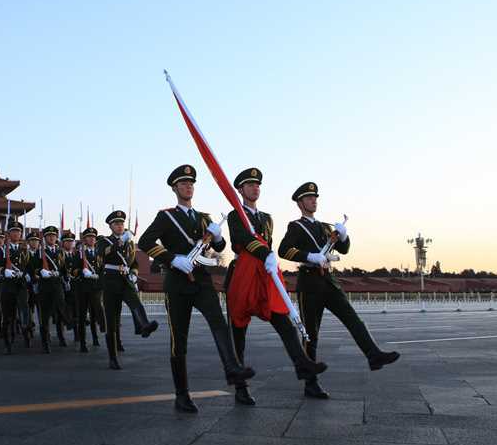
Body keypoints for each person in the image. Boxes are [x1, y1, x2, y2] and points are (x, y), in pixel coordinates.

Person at [138, 165, 255, 413]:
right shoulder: (166, 216)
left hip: (201, 280)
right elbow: (145, 242)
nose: (187, 187)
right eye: (182, 184)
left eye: (190, 183)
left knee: (219, 323)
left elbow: (221, 248)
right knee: (179, 341)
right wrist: (171, 258)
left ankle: (232, 368)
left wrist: (218, 235)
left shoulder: (204, 217)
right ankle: (182, 394)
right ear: (174, 188)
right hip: (177, 284)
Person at [278, 182, 400, 399]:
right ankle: (310, 382)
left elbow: (343, 249)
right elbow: (284, 250)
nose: (313, 201)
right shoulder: (295, 226)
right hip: (309, 283)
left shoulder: (325, 227)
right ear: (300, 202)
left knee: (353, 319)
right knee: (310, 334)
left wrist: (344, 236)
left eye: (315, 197)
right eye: (308, 198)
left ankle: (373, 355)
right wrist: (309, 256)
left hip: (329, 282)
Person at [225, 168, 326, 406]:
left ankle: (303, 365)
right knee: (238, 332)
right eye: (249, 185)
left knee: (283, 320)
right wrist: (263, 252)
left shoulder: (267, 218)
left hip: (265, 274)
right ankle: (241, 387)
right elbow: (241, 240)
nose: (255, 188)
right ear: (240, 190)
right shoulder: (234, 215)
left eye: (257, 184)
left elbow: (267, 242)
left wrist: (267, 258)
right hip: (243, 275)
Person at [97, 210, 158, 370]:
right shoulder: (104, 241)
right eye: (116, 224)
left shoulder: (130, 242)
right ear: (111, 226)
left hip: (125, 279)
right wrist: (119, 243)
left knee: (136, 302)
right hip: (110, 280)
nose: (120, 226)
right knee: (112, 320)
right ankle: (113, 357)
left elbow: (134, 263)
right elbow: (102, 255)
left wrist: (134, 273)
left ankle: (144, 325)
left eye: (122, 223)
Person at [27, 226, 70, 353]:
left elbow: (63, 268)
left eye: (53, 236)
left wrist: (65, 278)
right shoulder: (39, 253)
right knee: (45, 316)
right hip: (44, 287)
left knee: (60, 311)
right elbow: (32, 268)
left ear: (56, 238)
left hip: (57, 285)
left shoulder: (60, 252)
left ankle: (61, 336)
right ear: (45, 238)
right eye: (49, 236)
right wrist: (40, 272)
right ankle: (45, 341)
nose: (51, 238)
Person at [0, 221, 31, 353]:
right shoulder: (1, 250)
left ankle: (26, 332)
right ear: (9, 233)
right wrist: (3, 271)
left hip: (21, 285)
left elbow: (29, 266)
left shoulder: (24, 251)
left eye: (18, 232)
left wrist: (29, 275)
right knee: (7, 316)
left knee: (24, 309)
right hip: (7, 286)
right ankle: (7, 342)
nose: (16, 234)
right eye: (13, 231)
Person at [74, 227, 106, 352]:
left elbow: (103, 269)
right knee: (82, 316)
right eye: (89, 237)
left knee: (95, 313)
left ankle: (96, 337)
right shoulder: (79, 253)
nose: (92, 239)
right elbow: (74, 270)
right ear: (85, 239)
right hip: (82, 288)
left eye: (93, 237)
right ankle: (82, 342)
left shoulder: (99, 254)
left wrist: (100, 279)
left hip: (96, 287)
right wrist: (83, 272)